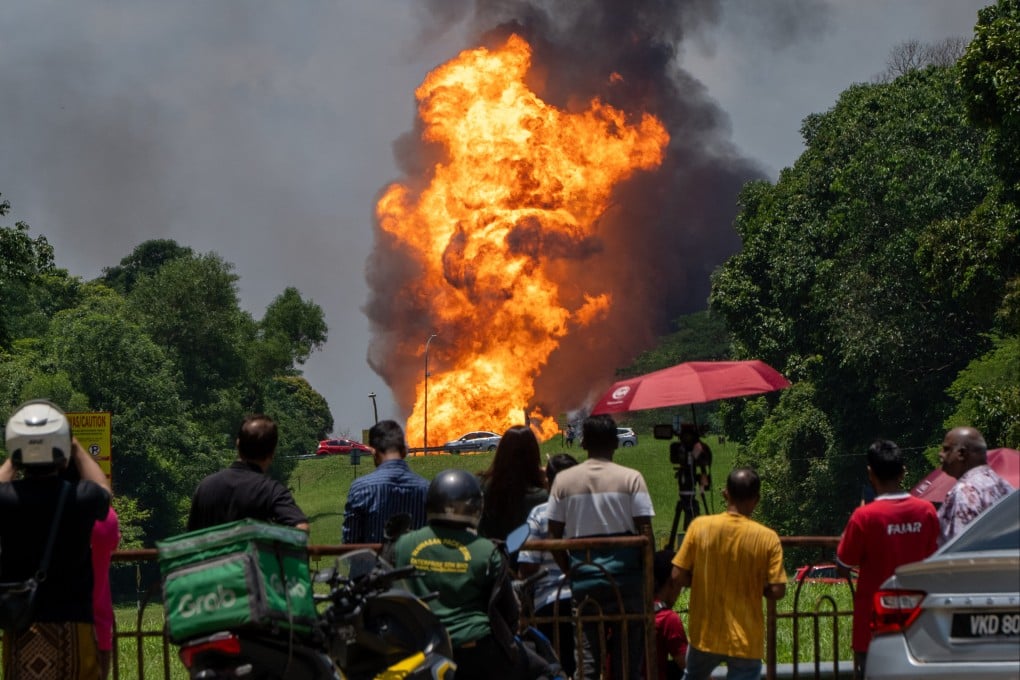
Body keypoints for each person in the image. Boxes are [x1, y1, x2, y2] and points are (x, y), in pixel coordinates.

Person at [0, 399, 112, 680]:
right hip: (74, 624)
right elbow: (103, 491)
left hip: (22, 625)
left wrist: (15, 458)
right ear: (61, 452)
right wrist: (74, 447)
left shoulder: (7, 499)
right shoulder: (81, 498)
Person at [547, 414, 655, 680]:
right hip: (627, 583)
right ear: (616, 443)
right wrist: (646, 577)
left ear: (583, 444)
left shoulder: (563, 481)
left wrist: (571, 571)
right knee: (627, 663)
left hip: (585, 582)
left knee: (587, 662)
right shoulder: (632, 478)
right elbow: (646, 533)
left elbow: (553, 536)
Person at [393, 469, 523, 680]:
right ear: (475, 508)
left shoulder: (403, 545)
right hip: (472, 650)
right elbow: (508, 611)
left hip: (415, 649)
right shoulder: (486, 550)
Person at [835, 440, 939, 679]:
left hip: (873, 625)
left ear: (870, 473)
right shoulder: (926, 511)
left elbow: (843, 565)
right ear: (903, 472)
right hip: (919, 620)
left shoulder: (863, 517)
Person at [670, 467, 786, 680]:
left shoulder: (700, 527)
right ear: (757, 499)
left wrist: (703, 581)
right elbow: (778, 590)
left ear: (726, 494)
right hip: (746, 638)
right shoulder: (768, 538)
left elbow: (677, 575)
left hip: (705, 633)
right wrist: (755, 585)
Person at [187, 414, 308, 532]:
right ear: (272, 453)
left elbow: (191, 539)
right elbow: (301, 529)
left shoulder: (205, 487)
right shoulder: (271, 490)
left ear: (238, 444)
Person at [518, 452, 579, 678]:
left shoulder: (540, 513)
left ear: (548, 481)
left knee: (554, 667)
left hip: (549, 603)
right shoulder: (588, 511)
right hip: (587, 600)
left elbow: (527, 565)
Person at [342, 419, 429, 544]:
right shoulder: (427, 489)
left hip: (372, 563)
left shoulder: (361, 489)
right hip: (413, 563)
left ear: (373, 452)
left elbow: (350, 541)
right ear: (404, 450)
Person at [936, 426, 1013, 546]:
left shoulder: (965, 492)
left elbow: (962, 550)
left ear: (961, 453)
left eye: (946, 449)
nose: (940, 454)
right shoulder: (1003, 485)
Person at [477, 425, 548, 541]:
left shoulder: (482, 487)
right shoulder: (541, 497)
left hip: (493, 554)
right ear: (533, 454)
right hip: (526, 556)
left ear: (501, 452)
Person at [647, 549, 688, 680]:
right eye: (680, 585)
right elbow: (692, 668)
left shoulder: (632, 611)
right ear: (672, 582)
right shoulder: (668, 619)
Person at [92, 507, 121, 680]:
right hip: (93, 632)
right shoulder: (102, 515)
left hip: (30, 632)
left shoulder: (21, 508)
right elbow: (113, 541)